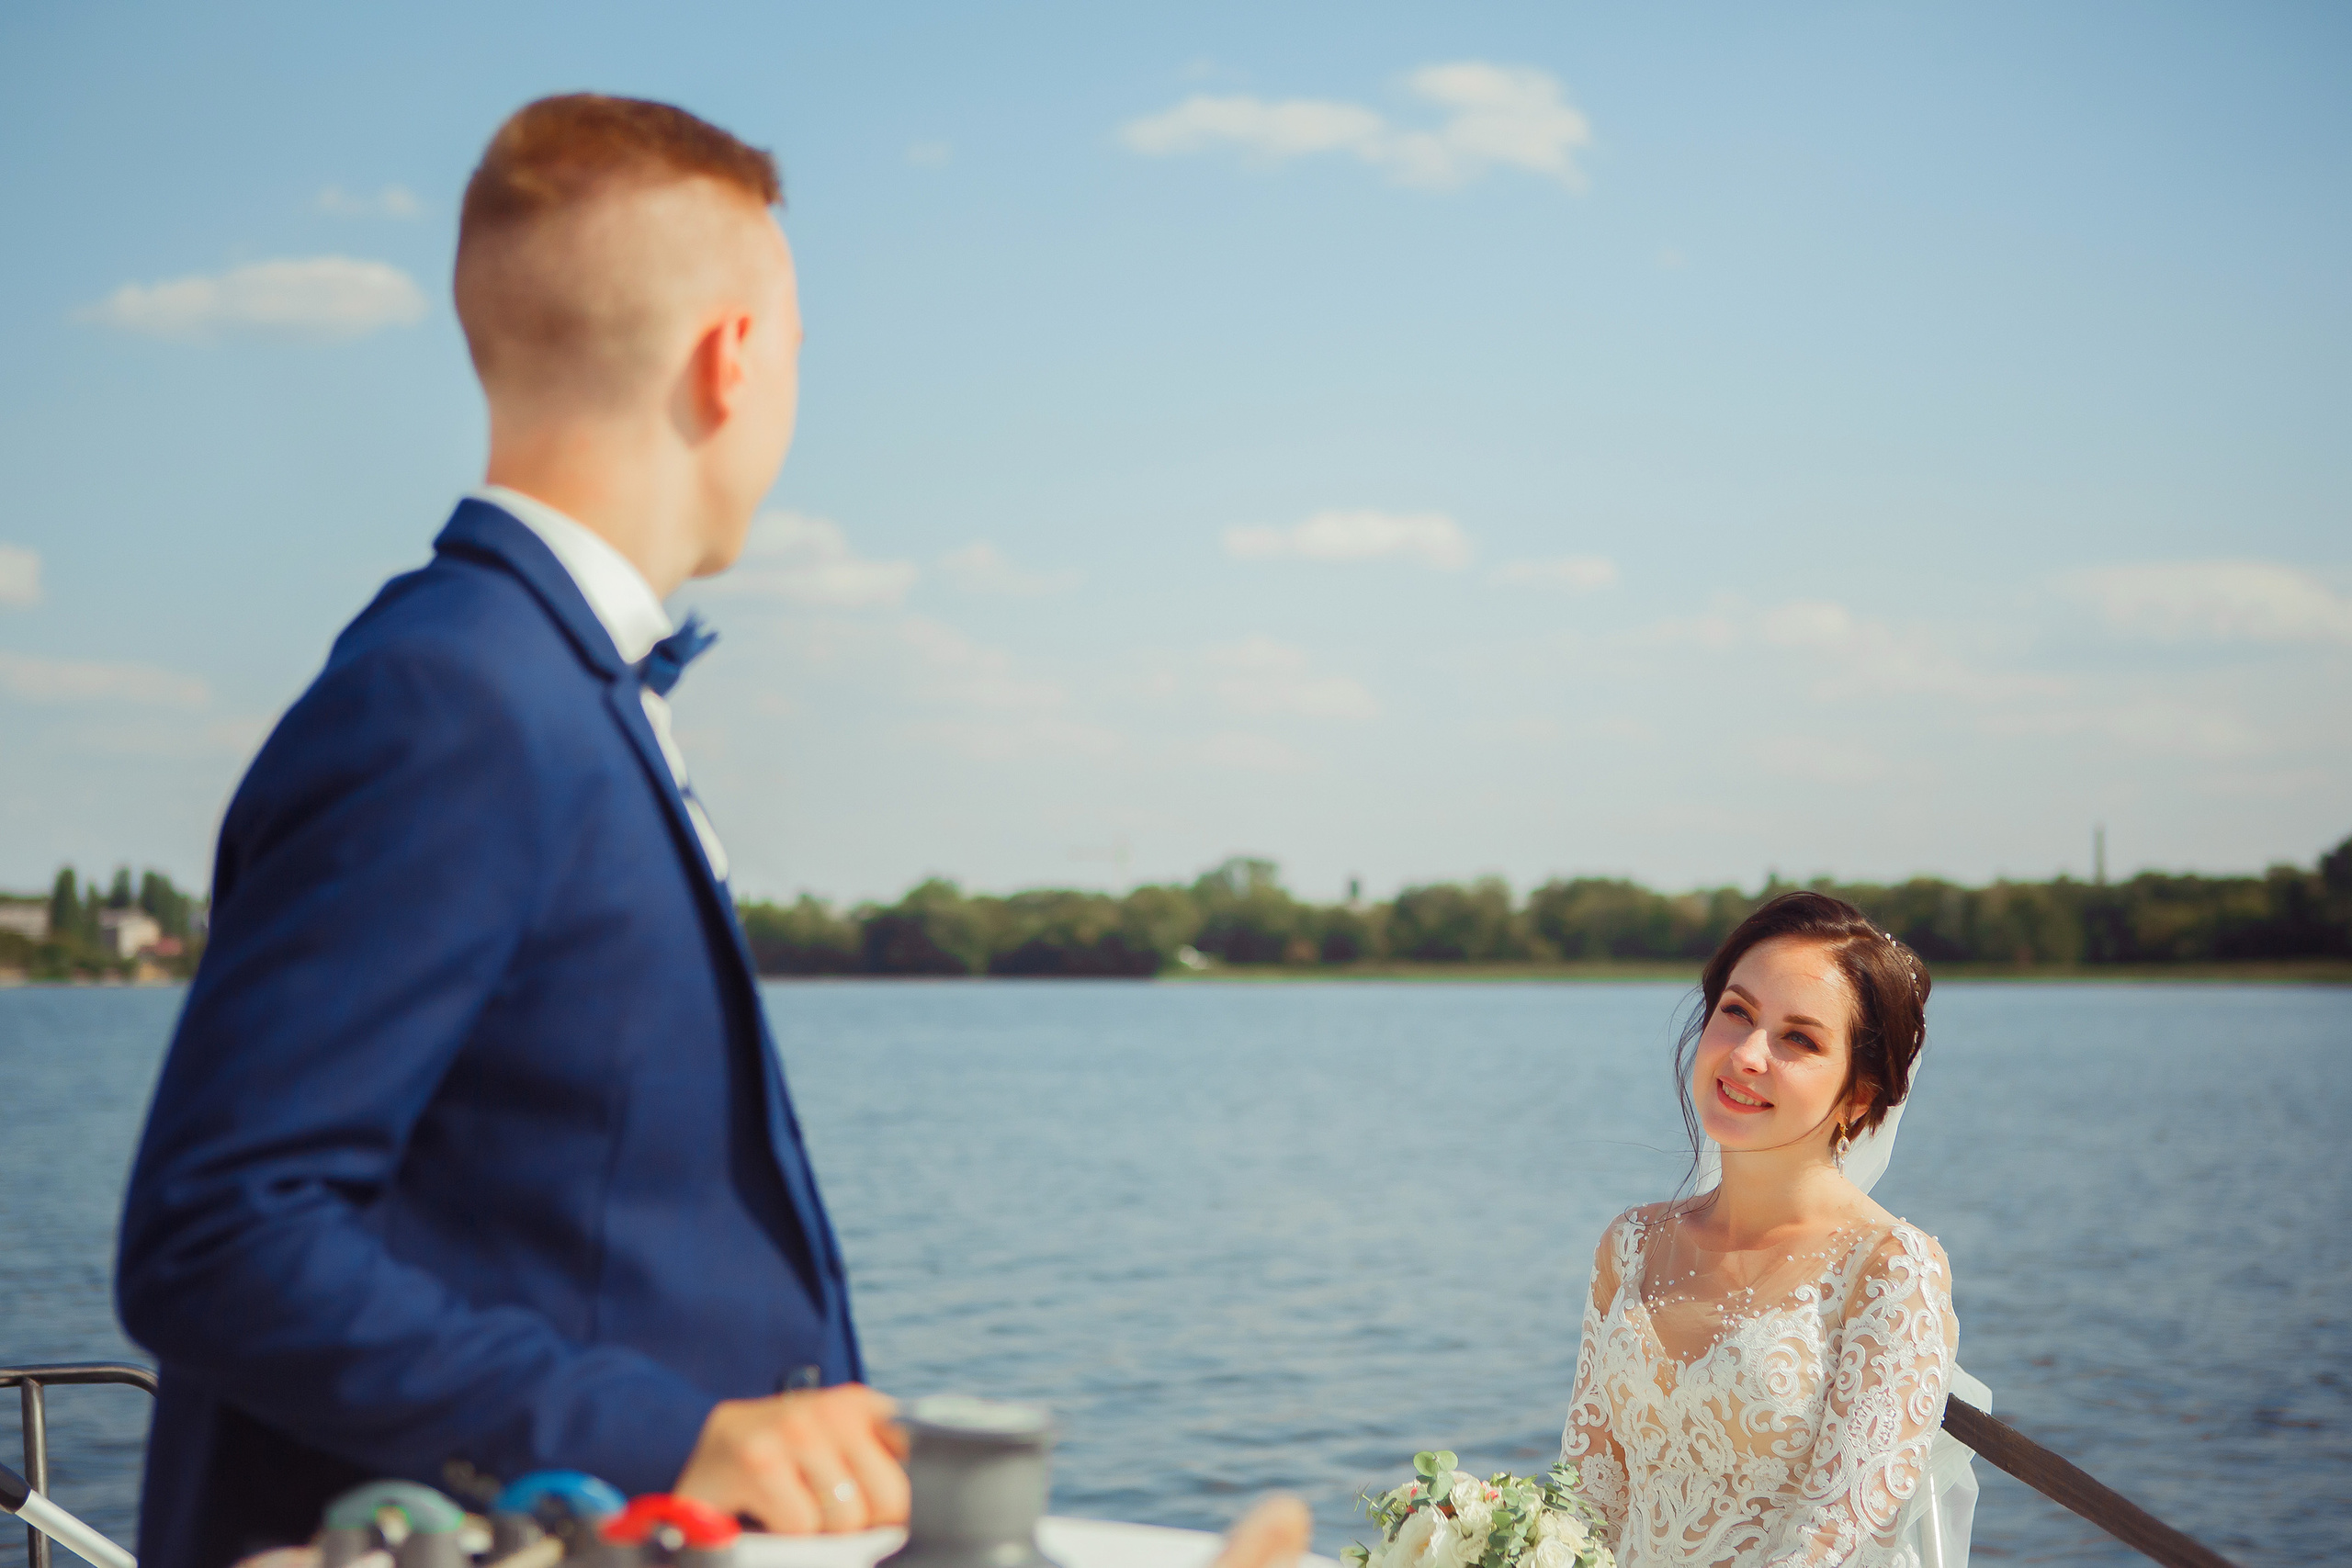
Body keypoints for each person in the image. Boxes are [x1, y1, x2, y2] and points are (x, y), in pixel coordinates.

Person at [118, 94, 894, 1566]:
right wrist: (678, 1437)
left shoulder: (529, 682)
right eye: (796, 343)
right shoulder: (457, 696)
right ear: (733, 359)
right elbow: (220, 1236)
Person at [1558, 892, 1970, 1568]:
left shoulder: (1890, 1268)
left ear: (1860, 1093)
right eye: (1737, 1012)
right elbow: (1586, 1506)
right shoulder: (1630, 1245)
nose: (1748, 1053)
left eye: (1799, 1038)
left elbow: (1832, 1543)